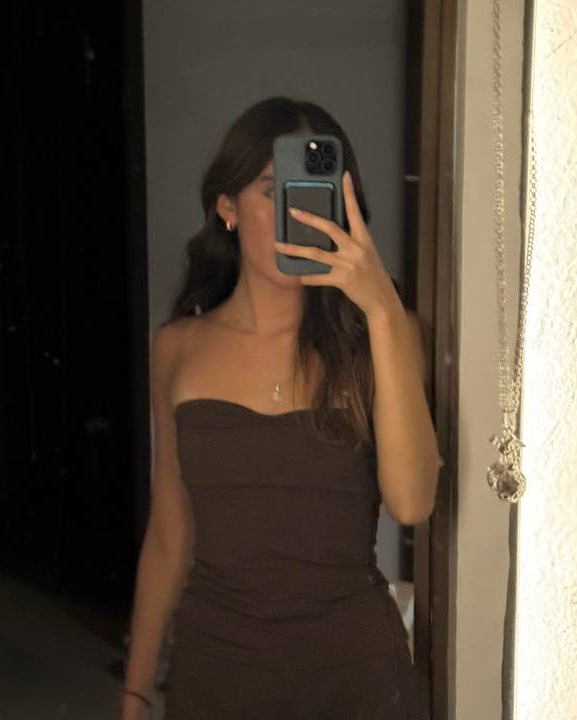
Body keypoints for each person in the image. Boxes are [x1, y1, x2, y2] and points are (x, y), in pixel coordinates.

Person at [121, 96, 438, 719]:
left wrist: (379, 306)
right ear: (227, 208)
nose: (299, 212)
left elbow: (412, 502)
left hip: (355, 678)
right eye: (273, 191)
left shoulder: (384, 334)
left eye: (314, 192)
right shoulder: (178, 348)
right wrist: (134, 692)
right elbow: (169, 532)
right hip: (215, 673)